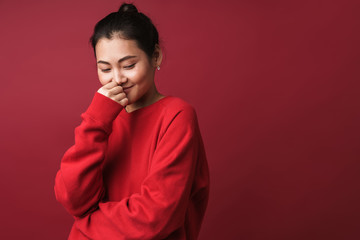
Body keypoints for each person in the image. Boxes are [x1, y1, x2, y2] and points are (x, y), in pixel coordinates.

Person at [54, 3, 210, 240]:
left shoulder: (176, 115)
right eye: (105, 69)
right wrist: (96, 121)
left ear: (155, 55)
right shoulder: (103, 117)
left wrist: (85, 224)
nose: (117, 78)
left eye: (128, 65)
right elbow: (73, 198)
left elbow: (156, 217)